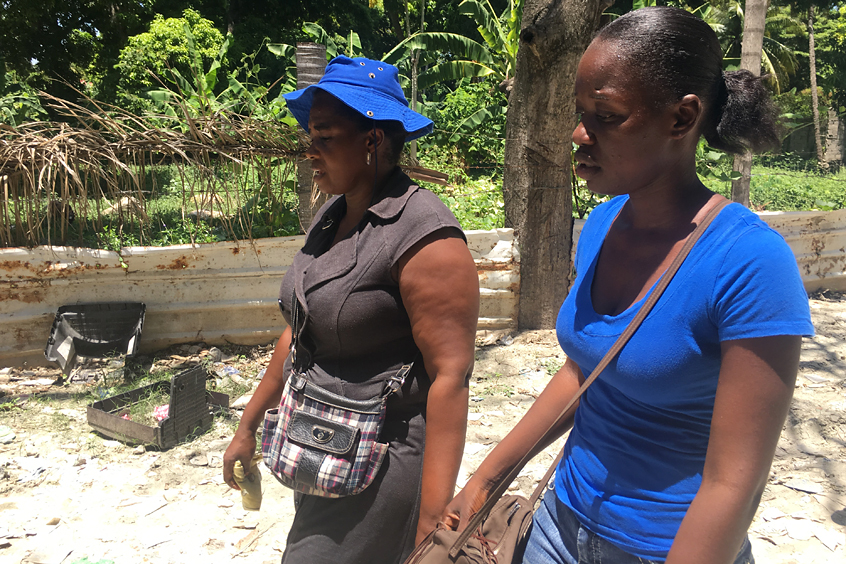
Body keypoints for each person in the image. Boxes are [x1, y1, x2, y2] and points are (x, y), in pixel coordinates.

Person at [442, 7, 814, 564]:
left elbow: (733, 484)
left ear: (681, 119)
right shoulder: (600, 226)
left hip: (665, 548)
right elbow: (585, 369)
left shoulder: (749, 263)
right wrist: (488, 477)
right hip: (557, 527)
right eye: (579, 113)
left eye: (606, 116)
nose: (578, 134)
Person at [223, 55, 480, 564]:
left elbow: (452, 375)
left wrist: (432, 514)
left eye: (325, 138)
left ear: (372, 141)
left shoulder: (424, 234)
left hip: (385, 459)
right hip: (323, 441)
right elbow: (300, 331)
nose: (310, 153)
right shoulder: (334, 215)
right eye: (309, 139)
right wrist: (249, 423)